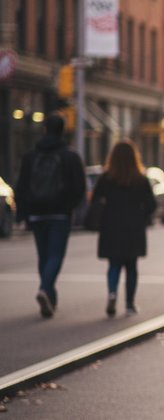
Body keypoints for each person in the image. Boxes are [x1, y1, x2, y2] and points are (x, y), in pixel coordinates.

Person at [13, 112, 86, 318]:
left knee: (44, 256)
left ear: (45, 129)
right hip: (60, 214)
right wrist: (70, 206)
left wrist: (22, 212)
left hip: (37, 213)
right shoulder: (70, 156)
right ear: (63, 131)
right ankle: (45, 290)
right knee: (55, 256)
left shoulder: (30, 156)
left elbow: (21, 185)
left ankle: (49, 297)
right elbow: (79, 186)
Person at [91, 139, 157, 317]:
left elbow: (95, 200)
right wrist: (141, 215)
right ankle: (129, 304)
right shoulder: (140, 179)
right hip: (133, 227)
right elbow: (151, 204)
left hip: (111, 226)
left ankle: (112, 293)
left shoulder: (106, 178)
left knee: (113, 264)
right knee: (131, 266)